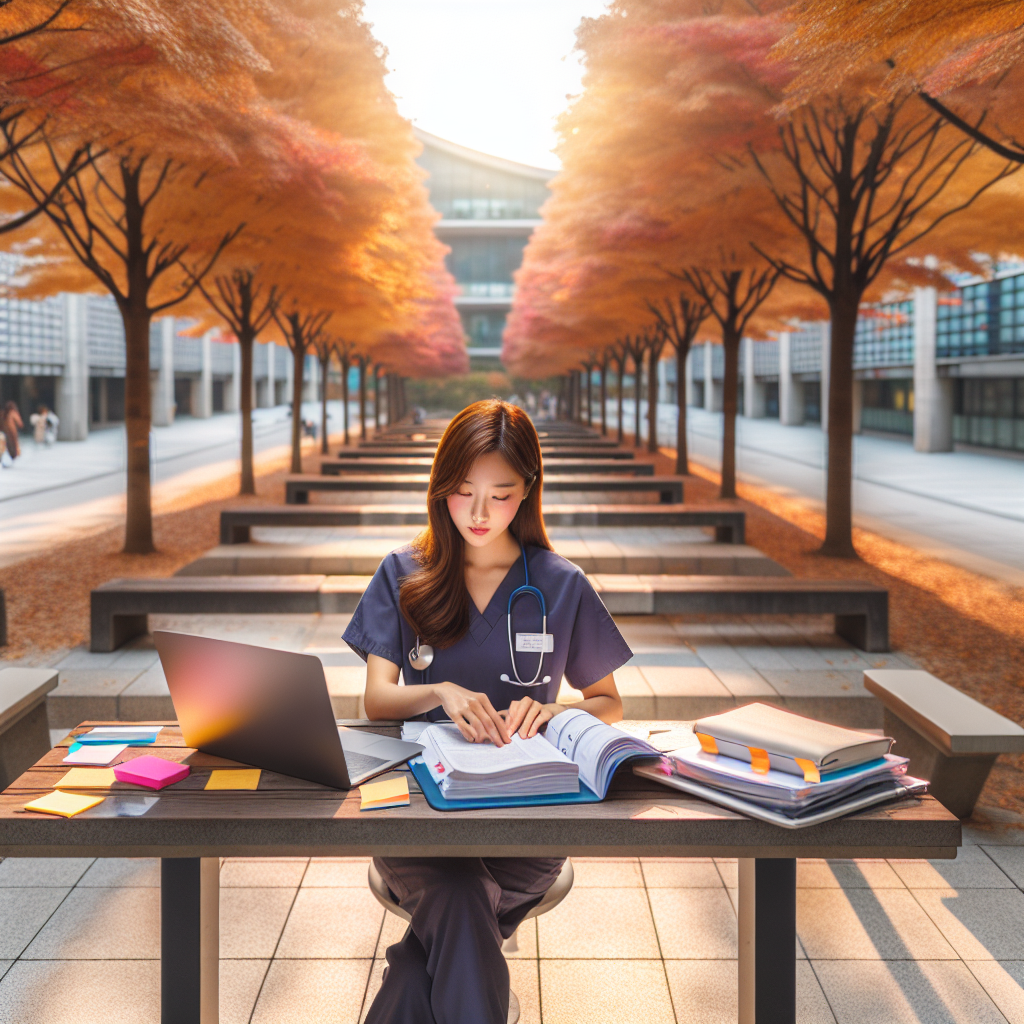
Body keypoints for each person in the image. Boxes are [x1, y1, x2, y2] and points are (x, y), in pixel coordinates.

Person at [343, 400, 633, 1024]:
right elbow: (376, 700)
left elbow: (608, 701)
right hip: (418, 822)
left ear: (528, 492)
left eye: (500, 494)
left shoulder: (561, 583)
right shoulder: (404, 574)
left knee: (448, 914)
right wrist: (437, 691)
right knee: (457, 892)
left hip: (525, 825)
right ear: (439, 488)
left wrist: (554, 711)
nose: (479, 513)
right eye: (462, 492)